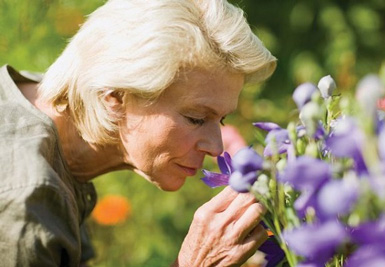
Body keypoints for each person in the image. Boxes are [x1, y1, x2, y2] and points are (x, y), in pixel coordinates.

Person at [0, 0, 276, 266]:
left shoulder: (38, 103)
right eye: (196, 118)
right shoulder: (26, 196)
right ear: (115, 96)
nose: (216, 148)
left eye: (221, 119)